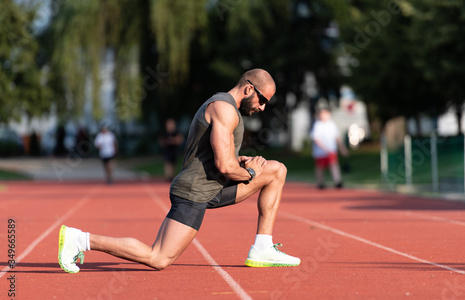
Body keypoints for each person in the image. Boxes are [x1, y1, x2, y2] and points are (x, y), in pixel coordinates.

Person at [58, 69, 300, 273]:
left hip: (213, 186)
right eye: (263, 100)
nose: (263, 107)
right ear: (249, 89)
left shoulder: (228, 109)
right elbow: (224, 166)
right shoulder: (223, 109)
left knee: (277, 170)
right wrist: (251, 174)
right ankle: (79, 240)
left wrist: (242, 161)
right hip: (195, 191)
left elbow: (221, 158)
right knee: (158, 258)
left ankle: (263, 247)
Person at [310, 108, 349, 189]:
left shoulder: (332, 124)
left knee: (334, 164)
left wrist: (342, 148)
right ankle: (320, 182)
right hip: (320, 152)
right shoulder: (318, 125)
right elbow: (316, 139)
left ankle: (337, 181)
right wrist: (324, 148)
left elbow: (337, 137)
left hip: (331, 149)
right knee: (320, 167)